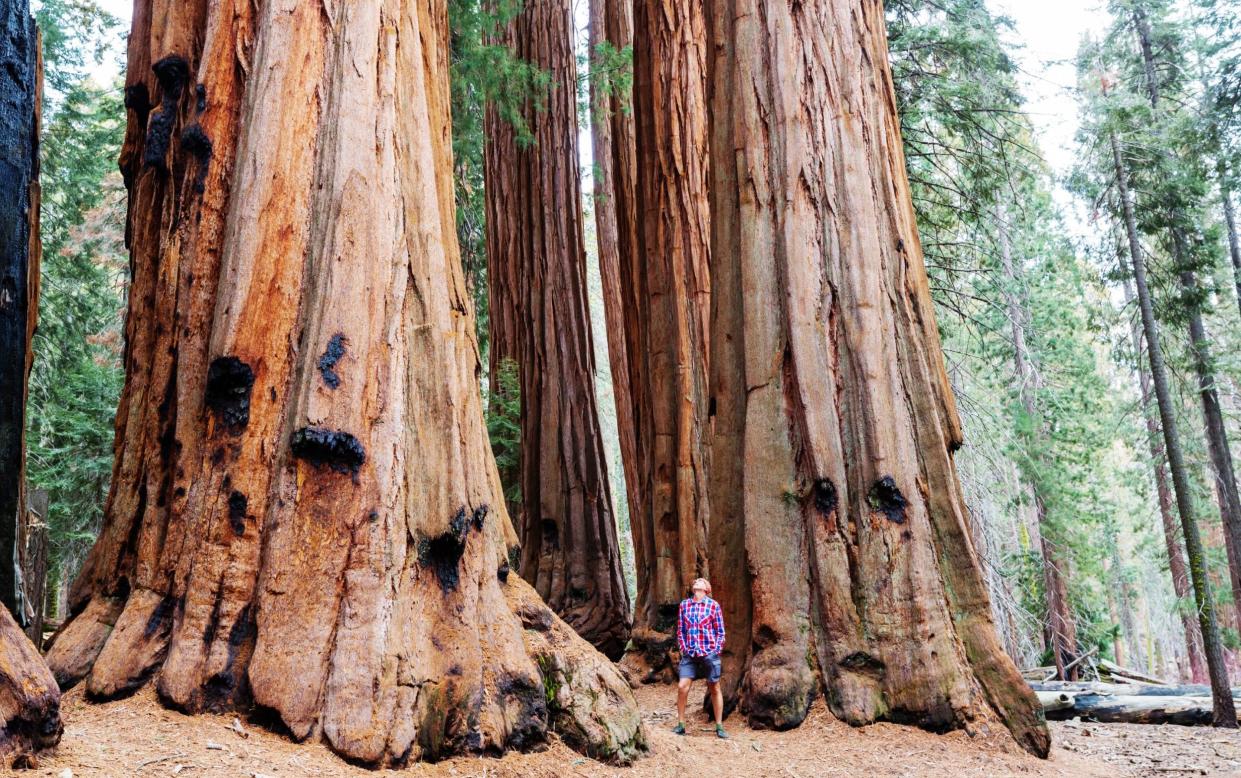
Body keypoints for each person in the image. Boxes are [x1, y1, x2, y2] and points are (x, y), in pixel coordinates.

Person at [673, 577, 727, 739]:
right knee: (682, 686)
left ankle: (719, 726)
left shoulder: (713, 606)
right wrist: (683, 647)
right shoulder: (684, 605)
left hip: (709, 653)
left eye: (701, 581)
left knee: (714, 688)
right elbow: (681, 629)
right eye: (696, 581)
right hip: (690, 654)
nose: (697, 582)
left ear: (706, 588)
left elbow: (720, 632)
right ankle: (681, 724)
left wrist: (715, 650)